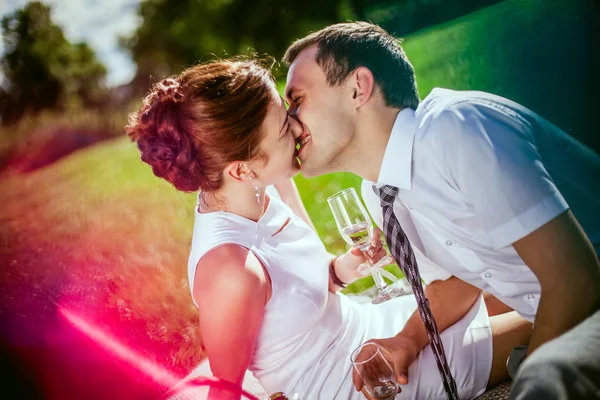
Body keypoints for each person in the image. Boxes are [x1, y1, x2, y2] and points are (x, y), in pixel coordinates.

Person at [126, 59, 532, 400]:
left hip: (368, 327)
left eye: (288, 115)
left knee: (511, 282)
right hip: (351, 382)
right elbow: (225, 389)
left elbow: (286, 295)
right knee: (549, 319)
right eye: (285, 130)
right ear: (240, 169)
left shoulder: (261, 187)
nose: (300, 130)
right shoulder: (228, 270)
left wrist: (339, 269)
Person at [283, 21, 600, 399]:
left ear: (358, 88)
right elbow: (454, 282)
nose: (289, 120)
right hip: (574, 315)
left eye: (297, 99)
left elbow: (576, 280)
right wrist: (406, 339)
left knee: (542, 381)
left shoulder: (458, 129)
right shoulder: (378, 191)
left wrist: (535, 370)